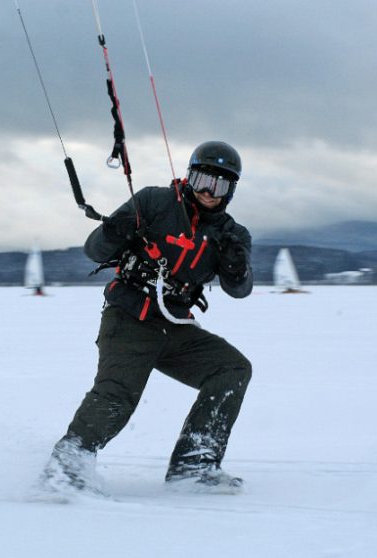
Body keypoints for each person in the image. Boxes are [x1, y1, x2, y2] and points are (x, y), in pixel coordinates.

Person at [40, 141, 253, 495]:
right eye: (202, 179)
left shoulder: (232, 234)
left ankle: (194, 465)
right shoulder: (155, 202)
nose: (207, 192)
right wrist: (115, 232)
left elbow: (240, 289)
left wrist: (236, 264)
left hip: (175, 328)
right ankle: (65, 471)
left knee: (231, 369)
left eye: (219, 185)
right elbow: (94, 249)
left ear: (230, 191)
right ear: (188, 175)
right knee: (117, 395)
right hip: (129, 319)